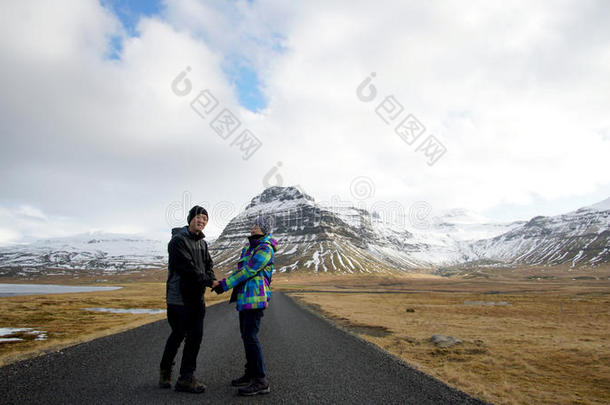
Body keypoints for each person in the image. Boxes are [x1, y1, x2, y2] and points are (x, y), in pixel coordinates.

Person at [213, 215, 277, 396]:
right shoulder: (250, 247)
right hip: (245, 298)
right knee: (246, 336)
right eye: (253, 225)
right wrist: (224, 281)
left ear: (265, 229)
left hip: (255, 298)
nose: (253, 227)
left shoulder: (265, 248)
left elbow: (249, 270)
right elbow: (240, 270)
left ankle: (261, 380)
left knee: (251, 336)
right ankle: (250, 374)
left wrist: (225, 285)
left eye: (257, 225)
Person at [159, 205, 218, 393]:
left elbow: (209, 265)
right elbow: (187, 268)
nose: (201, 221)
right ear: (190, 218)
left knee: (195, 337)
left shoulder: (203, 243)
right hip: (179, 298)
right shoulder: (177, 241)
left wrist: (211, 277)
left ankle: (186, 377)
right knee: (178, 335)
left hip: (196, 298)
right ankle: (165, 370)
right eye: (198, 217)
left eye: (205, 219)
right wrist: (210, 282)